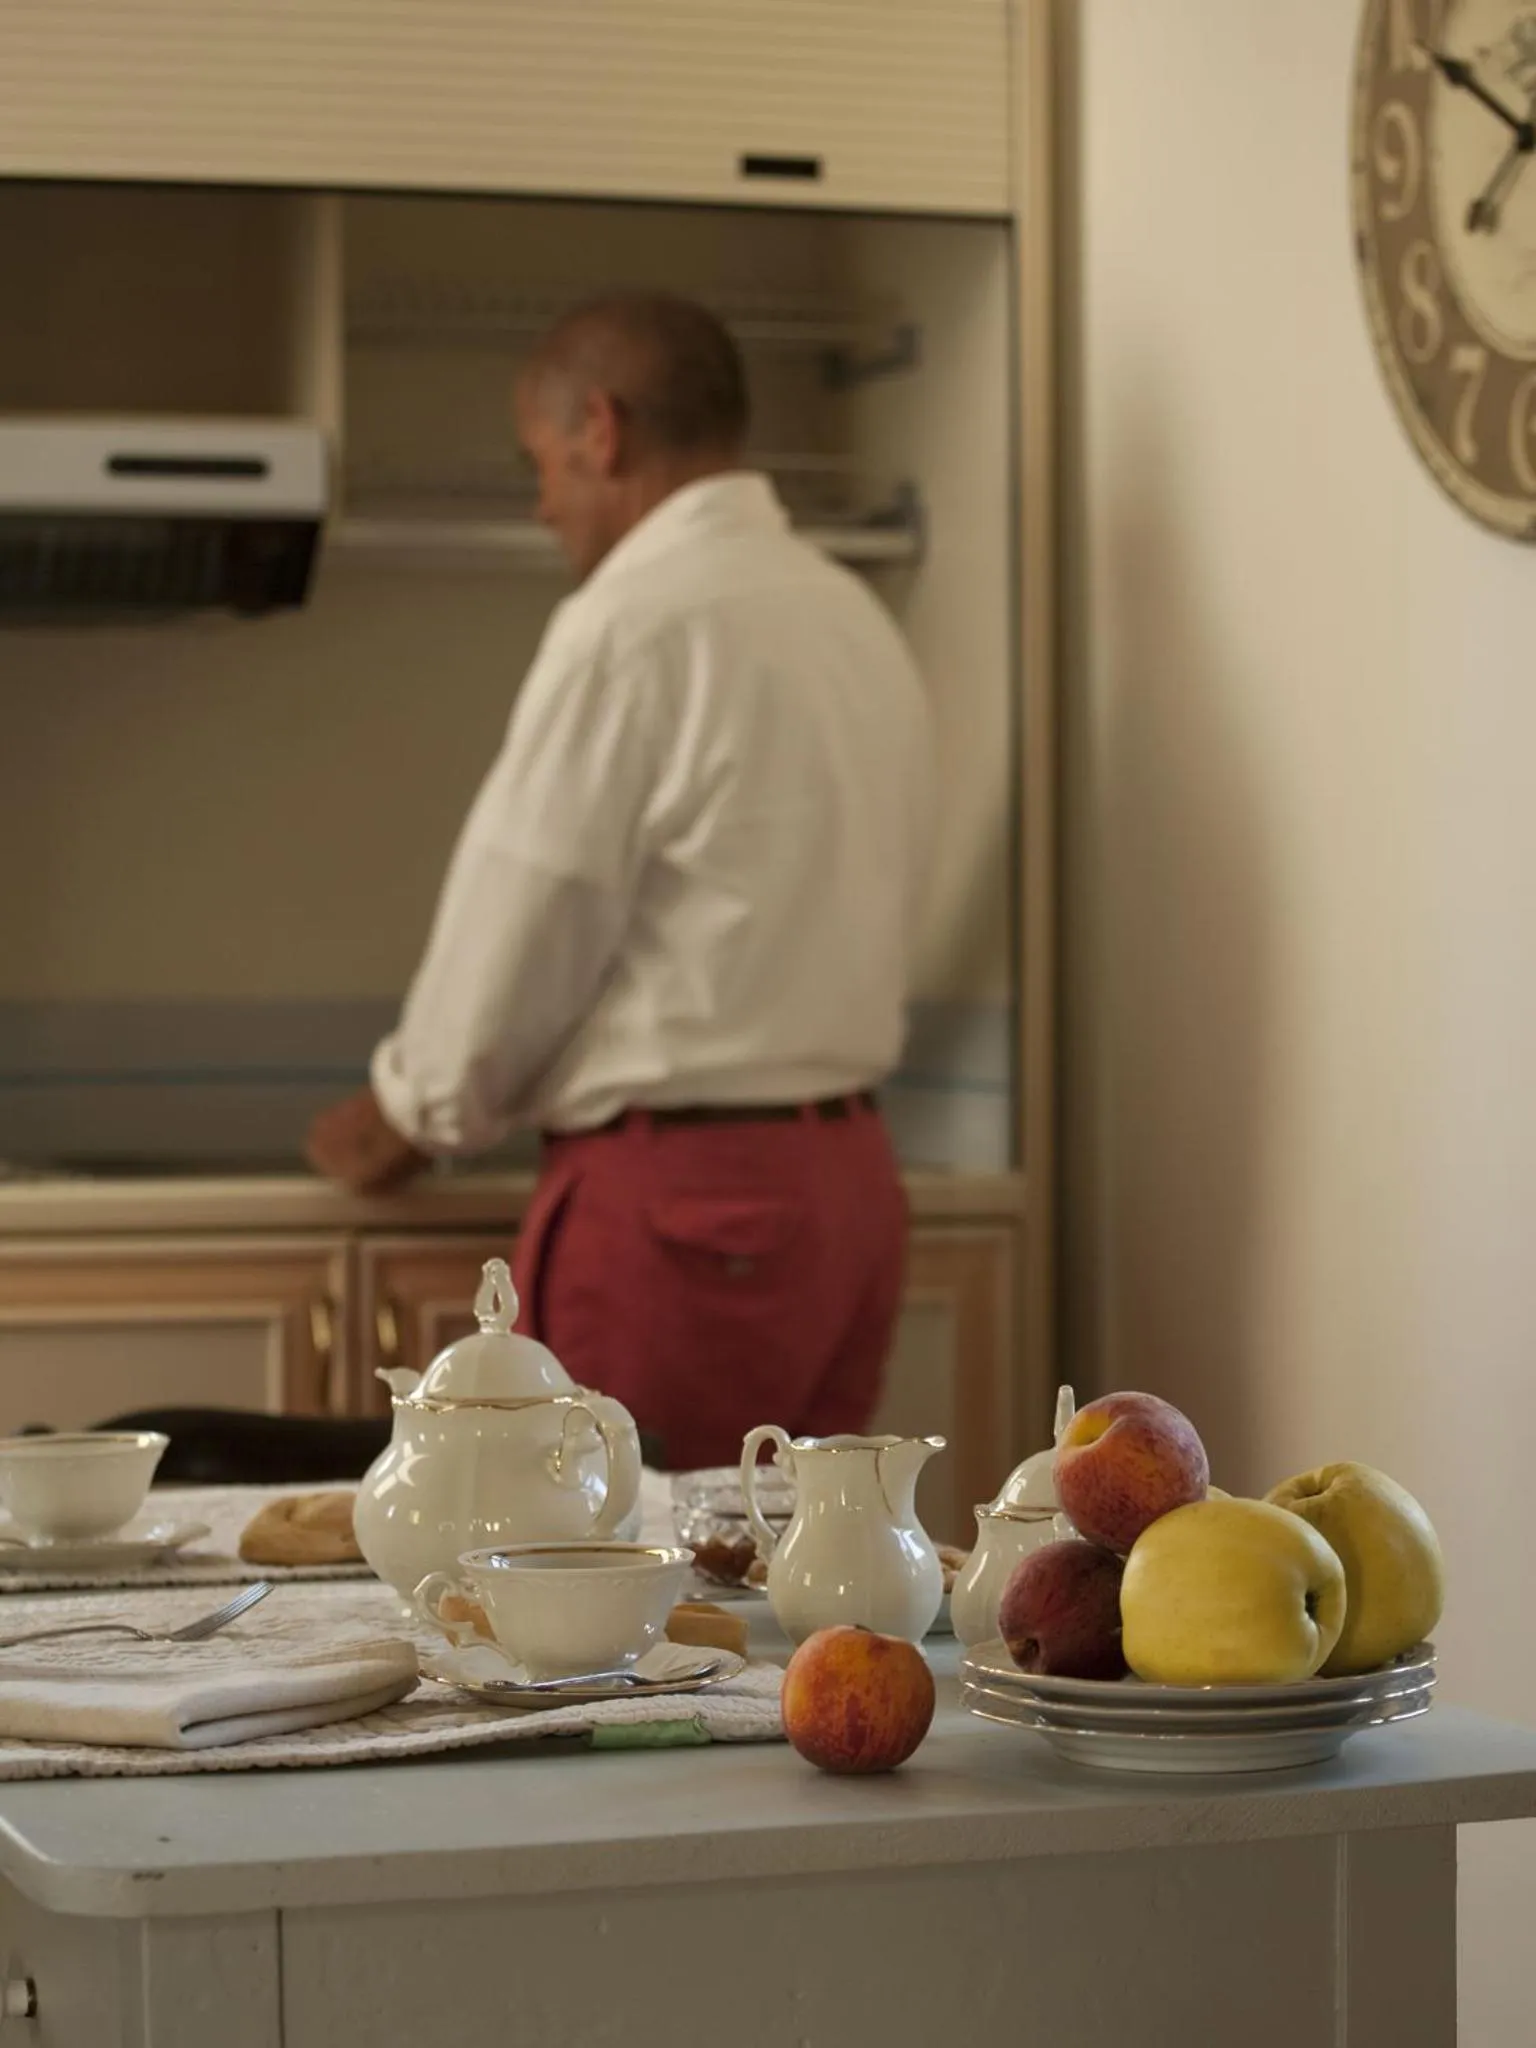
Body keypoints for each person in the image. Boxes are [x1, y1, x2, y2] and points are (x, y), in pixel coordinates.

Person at [306, 291, 933, 1469]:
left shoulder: (634, 622)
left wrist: (413, 1109)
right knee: (794, 1603)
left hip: (686, 1210)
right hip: (849, 1191)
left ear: (602, 429)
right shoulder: (851, 614)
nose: (542, 501)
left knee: (617, 1611)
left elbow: (528, 906)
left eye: (540, 463)